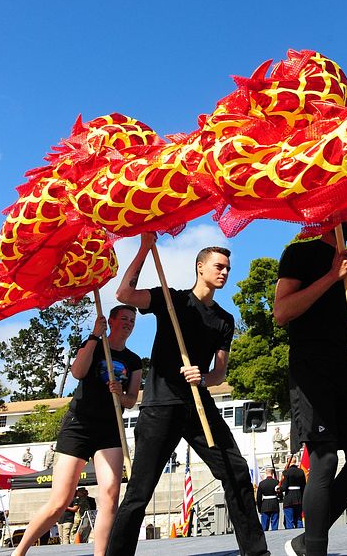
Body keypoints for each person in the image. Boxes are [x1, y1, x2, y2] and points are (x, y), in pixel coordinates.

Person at [108, 235, 268, 556]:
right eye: (218, 266)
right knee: (140, 491)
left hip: (198, 406)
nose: (224, 272)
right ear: (200, 267)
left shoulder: (225, 320)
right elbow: (124, 293)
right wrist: (143, 248)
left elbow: (219, 373)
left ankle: (256, 553)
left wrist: (203, 377)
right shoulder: (173, 301)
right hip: (161, 405)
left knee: (235, 472)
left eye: (227, 268)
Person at [273, 216, 347, 556]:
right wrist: (332, 276)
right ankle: (315, 548)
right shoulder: (298, 254)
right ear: (332, 213)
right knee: (325, 457)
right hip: (309, 365)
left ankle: (307, 540)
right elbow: (282, 311)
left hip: (344, 368)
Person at [14, 305, 143, 556]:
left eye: (132, 320)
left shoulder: (133, 361)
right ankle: (19, 551)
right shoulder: (93, 344)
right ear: (112, 321)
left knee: (110, 495)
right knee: (60, 500)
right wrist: (95, 336)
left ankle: (100, 554)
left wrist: (121, 394)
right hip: (79, 425)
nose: (128, 323)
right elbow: (77, 372)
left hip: (109, 428)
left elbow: (131, 400)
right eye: (124, 319)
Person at [279, 455, 306, 529]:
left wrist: (279, 489)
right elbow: (304, 486)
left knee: (289, 521)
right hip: (299, 498)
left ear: (288, 461)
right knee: (299, 519)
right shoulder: (301, 471)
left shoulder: (286, 472)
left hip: (289, 499)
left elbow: (284, 487)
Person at [256, 467, 280, 531]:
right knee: (274, 524)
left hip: (265, 505)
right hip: (274, 504)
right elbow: (280, 494)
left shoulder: (262, 483)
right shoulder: (276, 482)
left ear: (266, 472)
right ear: (272, 473)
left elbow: (258, 497)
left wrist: (259, 508)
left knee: (264, 526)